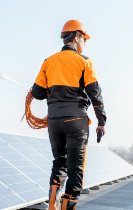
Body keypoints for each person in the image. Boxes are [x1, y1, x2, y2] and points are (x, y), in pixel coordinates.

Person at [31, 20, 107, 209]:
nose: (85, 43)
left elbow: (37, 93)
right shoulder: (85, 61)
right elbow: (95, 94)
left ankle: (52, 204)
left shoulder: (48, 61)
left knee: (59, 163)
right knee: (76, 168)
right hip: (75, 120)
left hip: (54, 121)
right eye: (84, 38)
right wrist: (101, 121)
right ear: (76, 37)